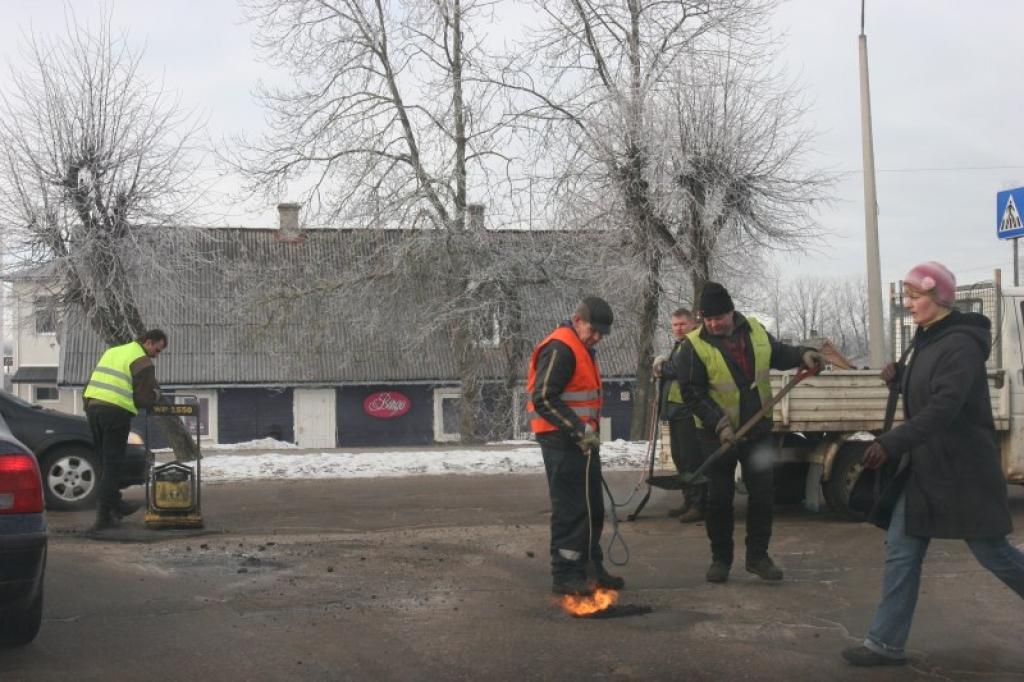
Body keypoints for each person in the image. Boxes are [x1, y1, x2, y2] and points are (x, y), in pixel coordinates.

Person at [841, 262, 1024, 667]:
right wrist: (900, 377)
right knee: (901, 551)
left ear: (939, 298)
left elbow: (943, 407)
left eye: (915, 297)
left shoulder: (960, 344)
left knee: (994, 554)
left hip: (963, 472)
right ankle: (884, 643)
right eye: (906, 297)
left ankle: (884, 642)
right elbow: (928, 386)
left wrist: (891, 442)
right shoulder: (928, 338)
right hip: (925, 468)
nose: (909, 305)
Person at [673, 282, 823, 583]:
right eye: (708, 319)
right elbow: (693, 394)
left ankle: (758, 557)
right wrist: (721, 424)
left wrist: (803, 355)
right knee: (719, 500)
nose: (714, 324)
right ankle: (721, 560)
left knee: (763, 496)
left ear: (732, 312)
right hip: (717, 437)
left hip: (757, 431)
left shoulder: (754, 330)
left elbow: (778, 354)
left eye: (720, 317)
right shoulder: (692, 346)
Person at [526, 296, 625, 596]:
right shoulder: (561, 347)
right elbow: (543, 398)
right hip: (561, 442)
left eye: (601, 334)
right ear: (577, 320)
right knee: (571, 509)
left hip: (581, 441)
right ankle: (566, 574)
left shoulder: (581, 348)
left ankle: (591, 569)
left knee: (592, 507)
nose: (597, 338)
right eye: (593, 331)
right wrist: (578, 429)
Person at [83, 329, 167, 531]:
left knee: (105, 460)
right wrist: (155, 397)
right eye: (157, 349)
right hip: (115, 413)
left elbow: (93, 380)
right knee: (113, 464)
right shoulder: (143, 361)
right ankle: (103, 518)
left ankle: (116, 504)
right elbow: (141, 399)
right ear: (148, 342)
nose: (157, 354)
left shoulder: (113, 352)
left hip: (93, 408)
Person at [652, 308, 706, 522]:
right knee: (680, 459)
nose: (678, 328)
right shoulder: (680, 346)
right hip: (675, 410)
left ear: (693, 324)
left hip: (688, 412)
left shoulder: (695, 345)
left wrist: (662, 366)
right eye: (674, 325)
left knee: (692, 460)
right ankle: (689, 500)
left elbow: (677, 370)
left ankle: (699, 505)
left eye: (682, 324)